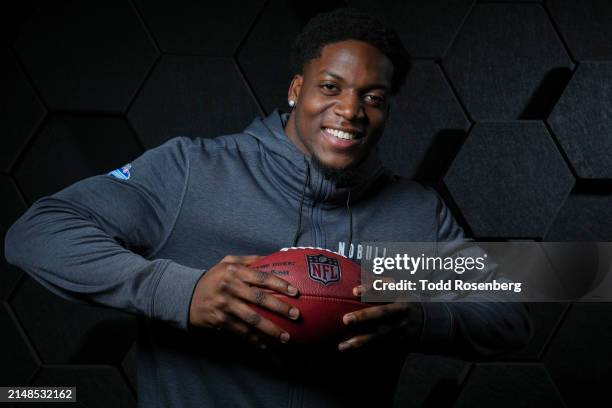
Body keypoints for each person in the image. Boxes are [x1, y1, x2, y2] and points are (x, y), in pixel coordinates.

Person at [4, 8, 531, 408]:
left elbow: (508, 316)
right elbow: (39, 231)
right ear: (298, 89)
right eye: (331, 87)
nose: (350, 110)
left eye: (373, 97)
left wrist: (417, 318)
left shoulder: (413, 214)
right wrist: (180, 291)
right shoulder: (194, 171)